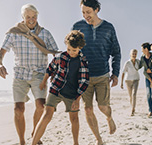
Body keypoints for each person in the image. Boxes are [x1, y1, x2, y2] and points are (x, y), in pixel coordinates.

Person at [0, 4, 59, 145]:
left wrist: (55, 70)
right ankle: (22, 141)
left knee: (41, 106)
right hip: (20, 74)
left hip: (39, 73)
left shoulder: (45, 34)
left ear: (37, 17)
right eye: (28, 17)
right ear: (23, 18)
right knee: (18, 109)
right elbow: (0, 51)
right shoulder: (14, 33)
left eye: (34, 17)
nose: (31, 20)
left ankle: (35, 134)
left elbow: (56, 53)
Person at [72, 0, 121, 144]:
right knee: (87, 109)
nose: (85, 15)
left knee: (103, 106)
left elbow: (116, 52)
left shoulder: (108, 28)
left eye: (88, 12)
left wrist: (116, 73)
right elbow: (72, 52)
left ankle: (109, 118)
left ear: (97, 9)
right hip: (84, 76)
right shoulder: (77, 27)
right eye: (83, 12)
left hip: (102, 75)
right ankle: (98, 139)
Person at [32, 30, 89, 145]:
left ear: (80, 48)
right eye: (68, 49)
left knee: (74, 119)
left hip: (72, 94)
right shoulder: (61, 56)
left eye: (74, 50)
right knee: (46, 115)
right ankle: (33, 143)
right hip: (56, 90)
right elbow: (50, 68)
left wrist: (77, 99)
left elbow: (84, 82)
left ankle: (76, 143)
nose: (71, 52)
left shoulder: (82, 61)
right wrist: (44, 81)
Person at [121, 49, 140, 116]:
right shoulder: (127, 63)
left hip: (136, 79)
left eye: (135, 54)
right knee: (130, 96)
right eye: (133, 54)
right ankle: (132, 106)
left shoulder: (138, 62)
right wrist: (121, 83)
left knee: (134, 94)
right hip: (128, 80)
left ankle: (133, 109)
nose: (134, 55)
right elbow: (123, 72)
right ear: (130, 54)